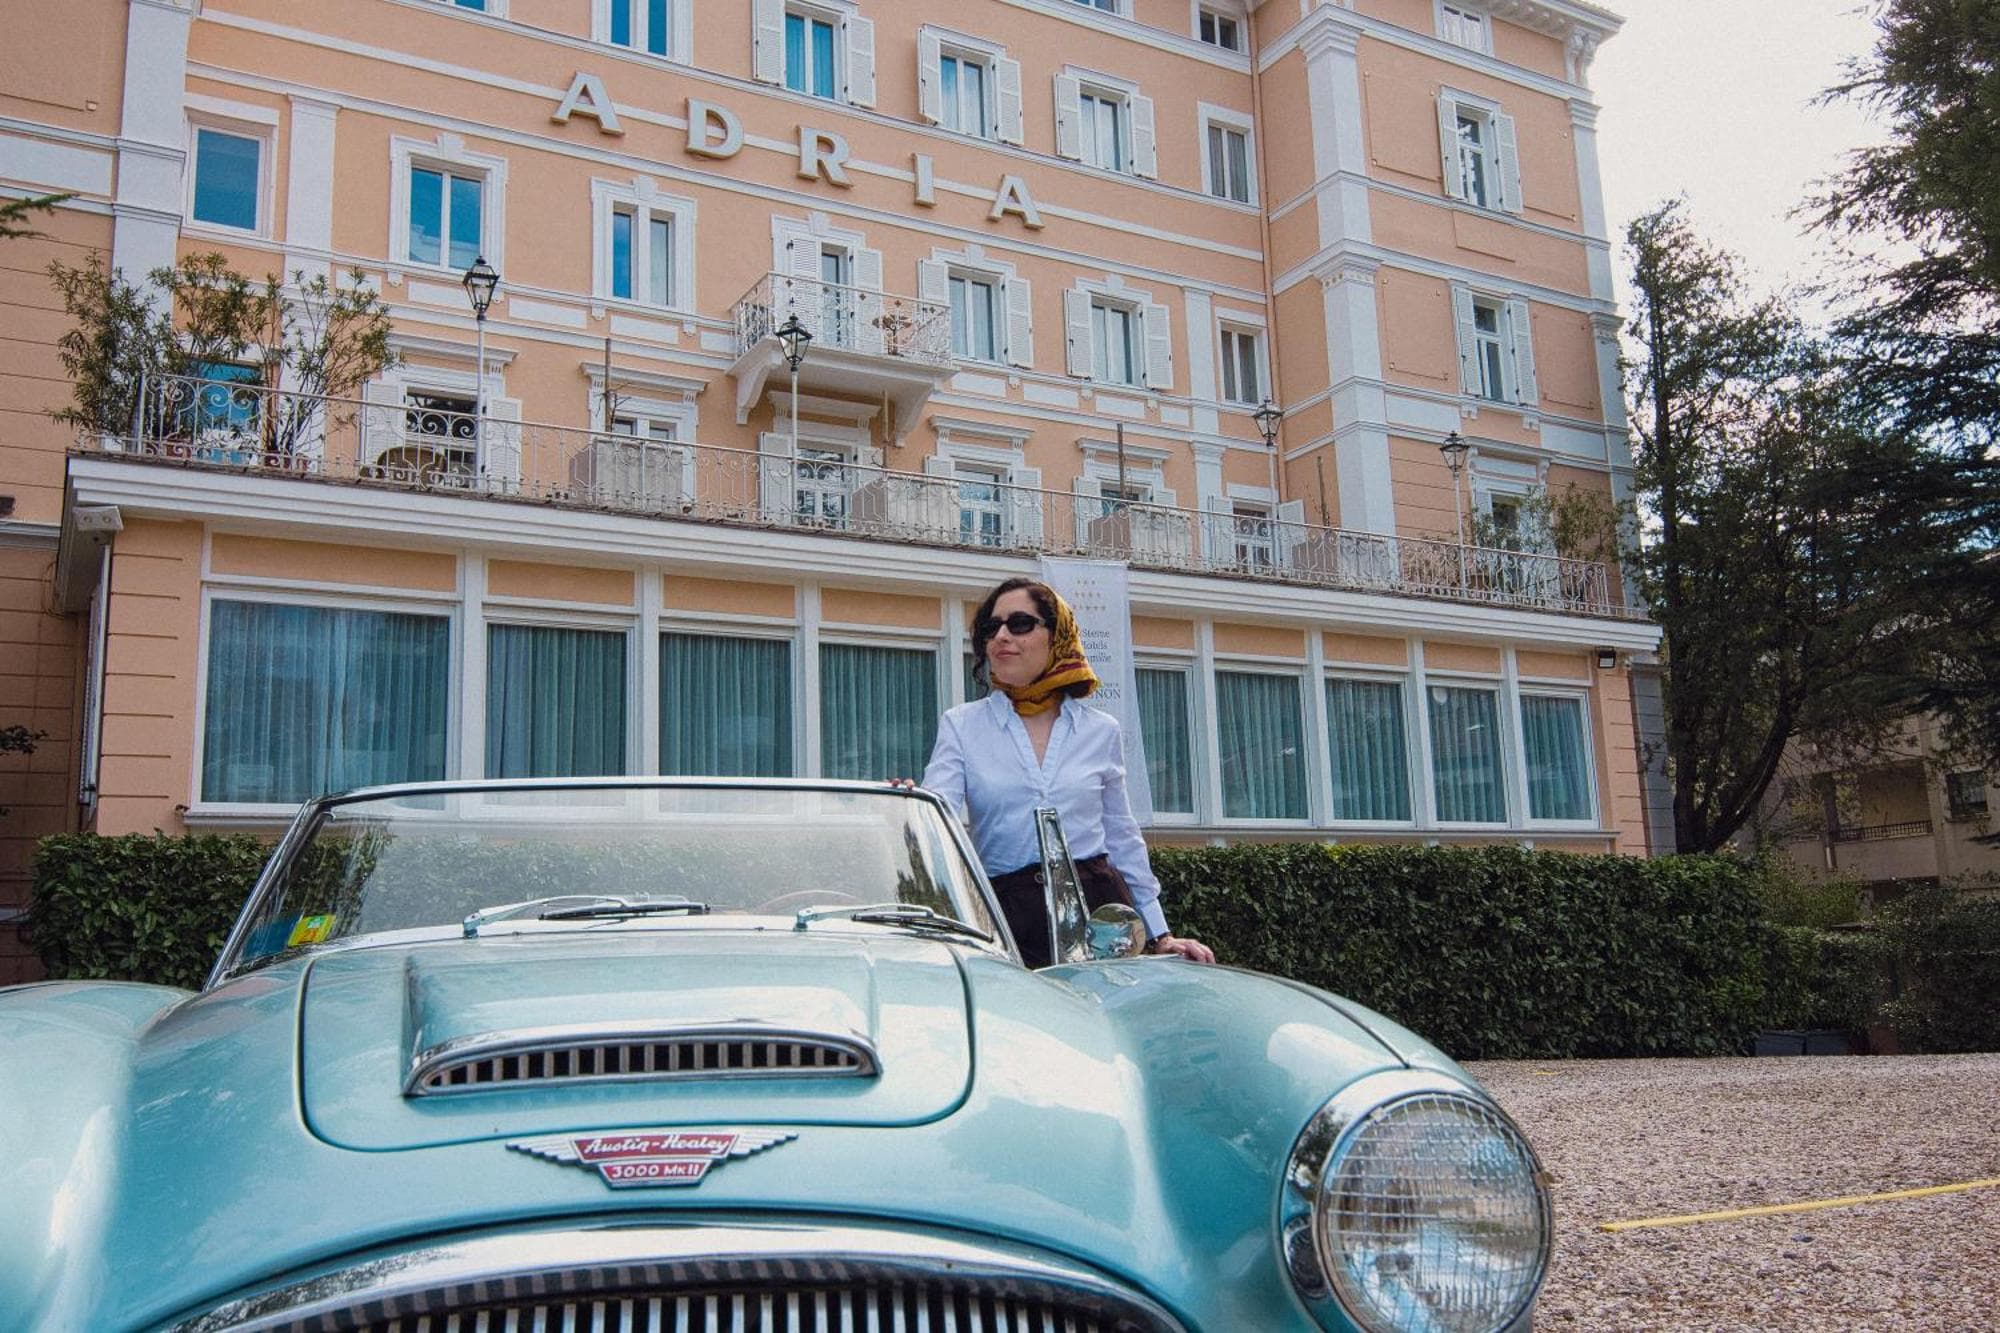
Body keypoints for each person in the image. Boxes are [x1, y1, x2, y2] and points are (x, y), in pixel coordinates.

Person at [922, 577, 1215, 968]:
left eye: (1020, 624)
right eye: (991, 628)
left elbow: (1121, 835)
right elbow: (937, 817)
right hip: (1007, 917)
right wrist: (912, 806)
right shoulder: (961, 725)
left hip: (1100, 915)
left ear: (1057, 635)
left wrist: (1159, 934)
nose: (1002, 636)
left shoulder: (1100, 731)